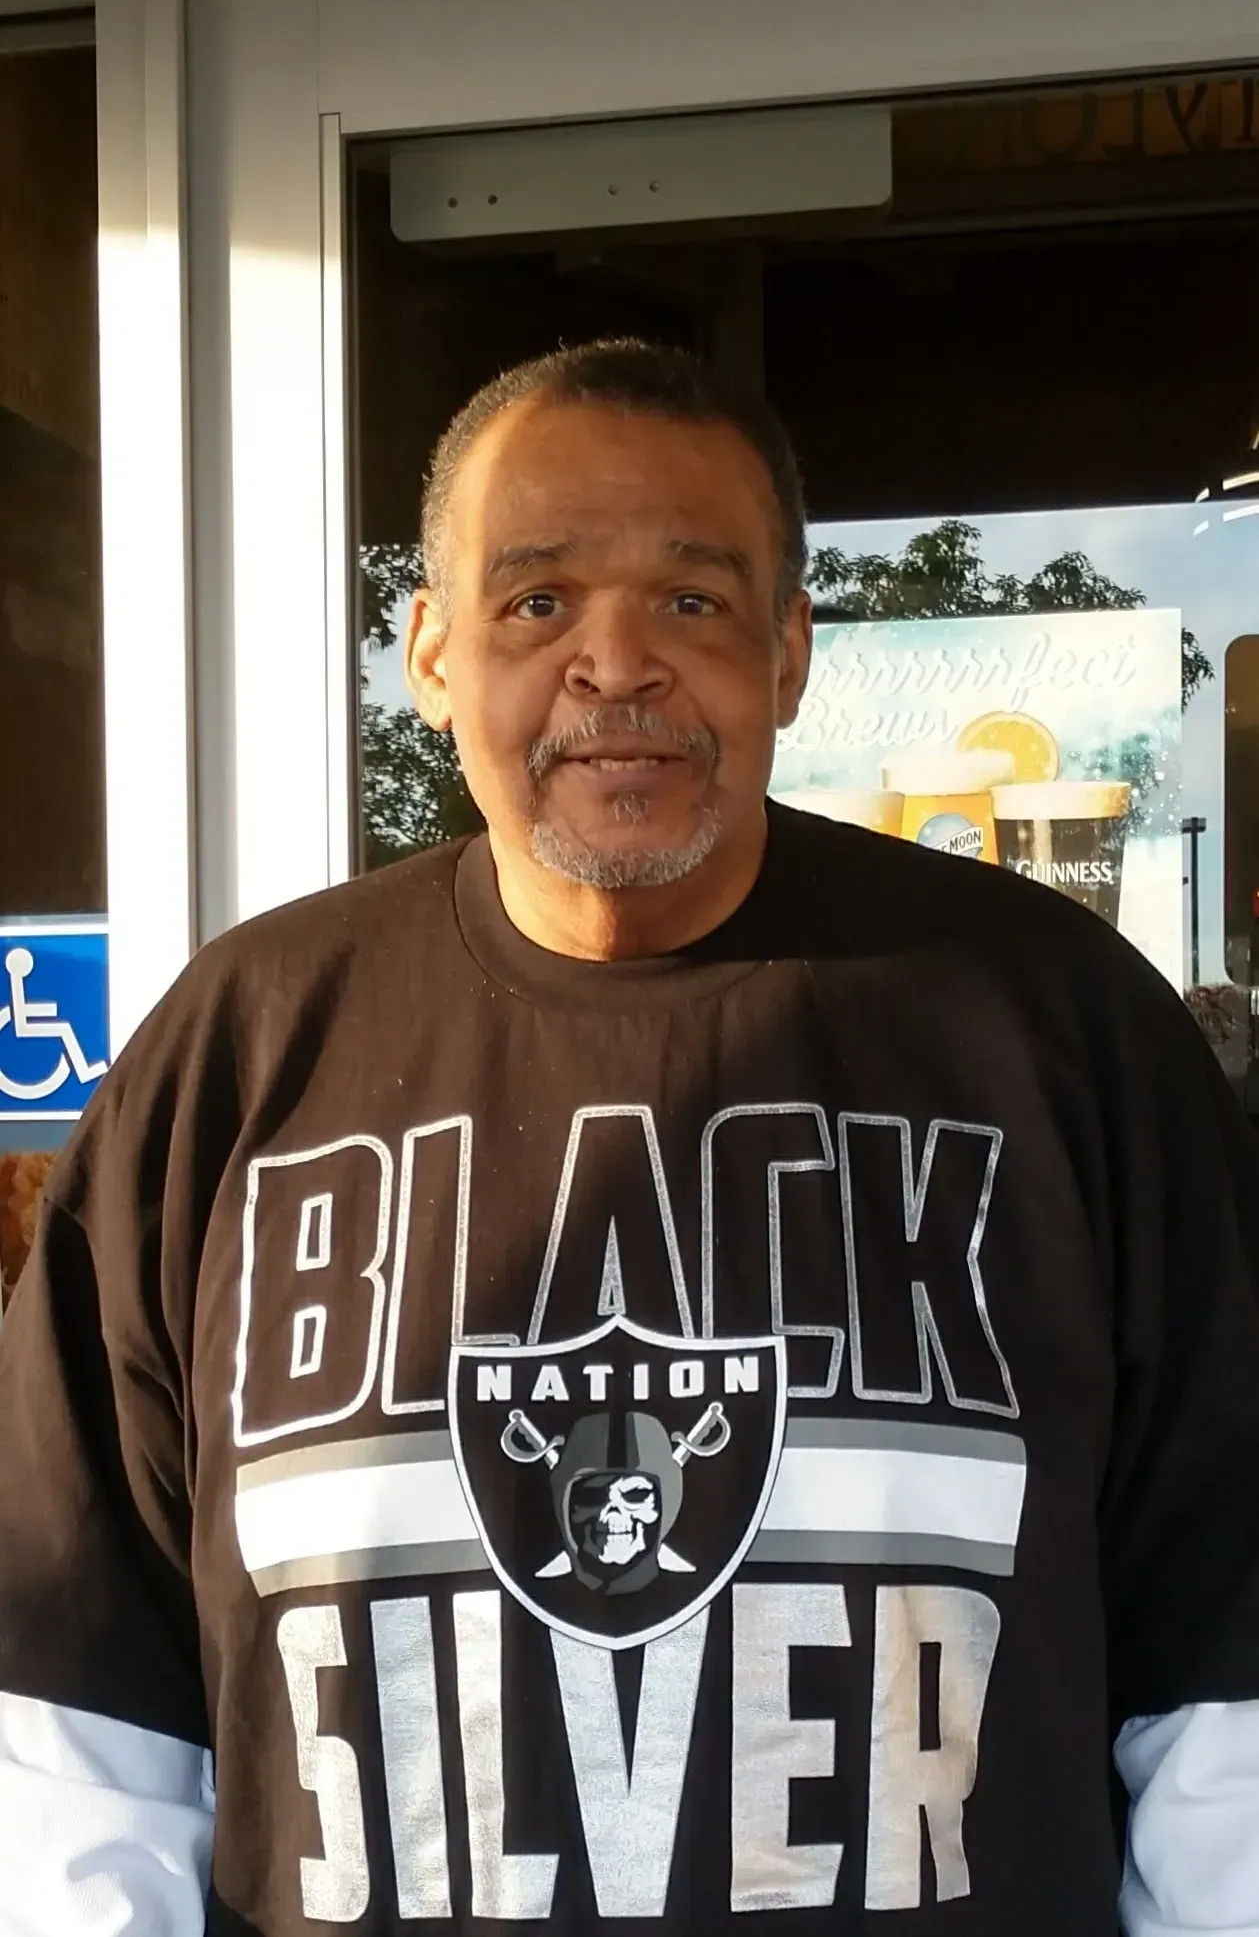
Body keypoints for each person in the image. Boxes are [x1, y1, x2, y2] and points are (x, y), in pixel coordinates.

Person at [0, 339, 1256, 1937]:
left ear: (790, 654)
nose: (616, 663)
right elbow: (74, 1738)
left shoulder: (1052, 1032)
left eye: (692, 600)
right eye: (536, 602)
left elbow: (1225, 1692)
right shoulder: (240, 1057)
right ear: (431, 652)